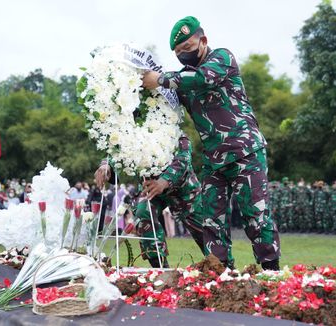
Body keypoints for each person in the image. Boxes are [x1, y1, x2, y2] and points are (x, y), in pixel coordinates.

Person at [142, 16, 280, 270]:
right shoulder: (181, 79)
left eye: (187, 48)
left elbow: (203, 79)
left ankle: (272, 274)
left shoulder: (222, 59)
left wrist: (160, 79)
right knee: (212, 223)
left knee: (256, 217)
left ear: (203, 41)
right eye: (178, 53)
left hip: (245, 152)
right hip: (214, 162)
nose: (184, 55)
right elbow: (164, 99)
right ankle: (222, 276)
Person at [95, 135, 204, 268]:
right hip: (150, 188)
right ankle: (160, 269)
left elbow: (184, 156)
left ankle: (223, 269)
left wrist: (164, 181)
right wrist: (106, 166)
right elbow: (117, 151)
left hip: (183, 189)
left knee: (203, 231)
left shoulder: (169, 122)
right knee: (143, 212)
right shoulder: (132, 130)